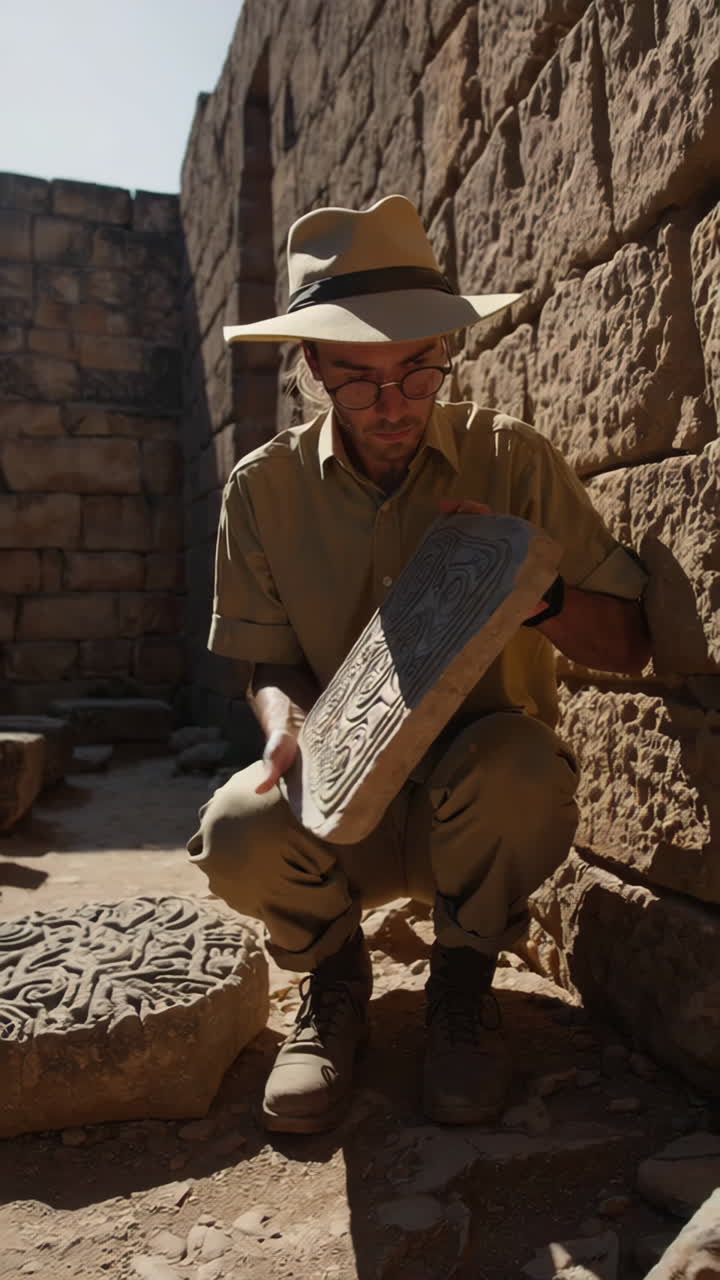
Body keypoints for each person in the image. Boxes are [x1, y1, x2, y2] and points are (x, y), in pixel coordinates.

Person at [188, 195, 650, 1134]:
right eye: (359, 380)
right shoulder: (262, 491)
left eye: (418, 369)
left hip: (474, 810)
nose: (395, 404)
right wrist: (286, 726)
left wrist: (533, 590)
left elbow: (629, 645)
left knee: (521, 769)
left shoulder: (513, 461)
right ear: (313, 365)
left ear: (445, 351)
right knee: (236, 824)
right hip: (341, 804)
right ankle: (333, 984)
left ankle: (463, 989)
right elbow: (264, 661)